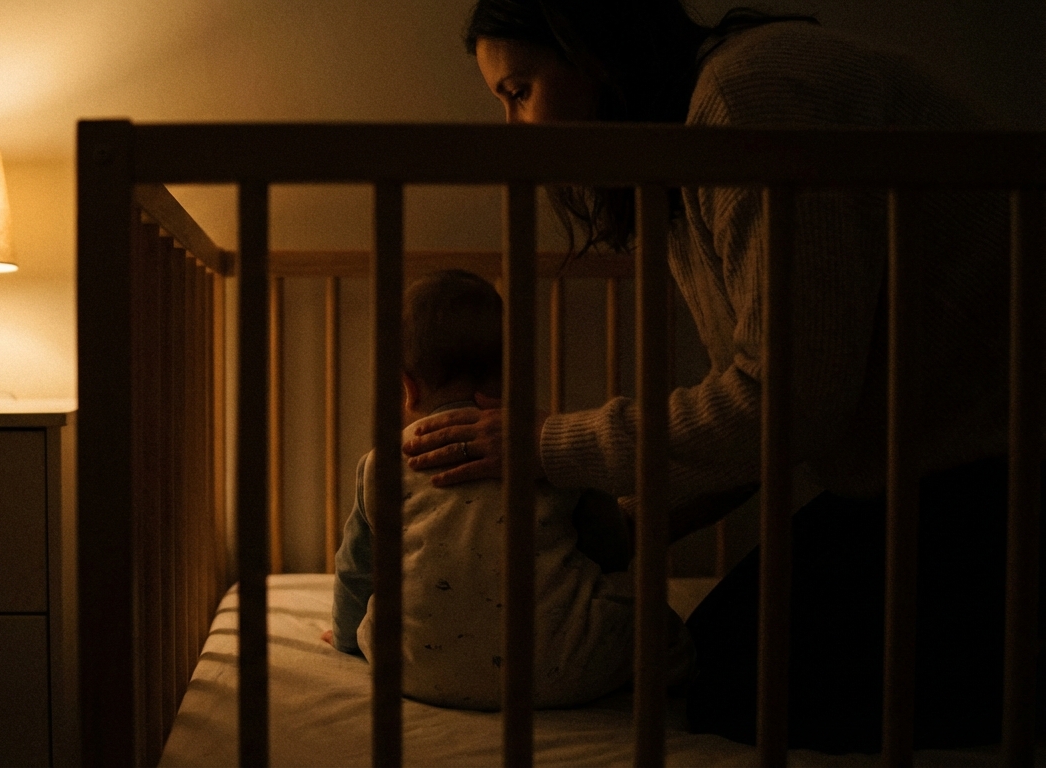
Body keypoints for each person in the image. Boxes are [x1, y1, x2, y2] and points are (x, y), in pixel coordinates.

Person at [400, 0, 1036, 753]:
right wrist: (629, 525)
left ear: (592, 51)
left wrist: (543, 444)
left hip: (1002, 473)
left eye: (519, 90)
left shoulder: (747, 96)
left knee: (743, 683)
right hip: (920, 474)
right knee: (723, 662)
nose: (516, 130)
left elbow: (790, 399)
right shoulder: (686, 157)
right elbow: (762, 414)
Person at [328, 269, 691, 710]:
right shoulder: (549, 448)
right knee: (649, 615)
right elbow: (609, 550)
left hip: (414, 670)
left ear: (407, 387)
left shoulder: (381, 464)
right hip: (564, 670)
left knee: (377, 615)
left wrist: (348, 635)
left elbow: (356, 571)